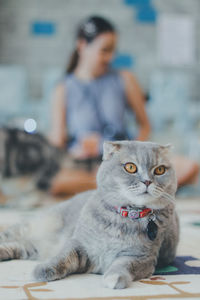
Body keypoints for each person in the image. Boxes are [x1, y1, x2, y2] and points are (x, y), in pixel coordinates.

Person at [48, 15, 199, 196]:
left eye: (113, 51)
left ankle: (115, 186)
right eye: (104, 50)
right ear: (82, 45)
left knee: (189, 167)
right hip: (86, 165)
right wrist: (74, 151)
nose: (110, 57)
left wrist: (132, 154)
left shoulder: (125, 79)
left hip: (127, 162)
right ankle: (119, 186)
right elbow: (57, 141)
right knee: (52, 182)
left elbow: (145, 126)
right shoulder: (63, 88)